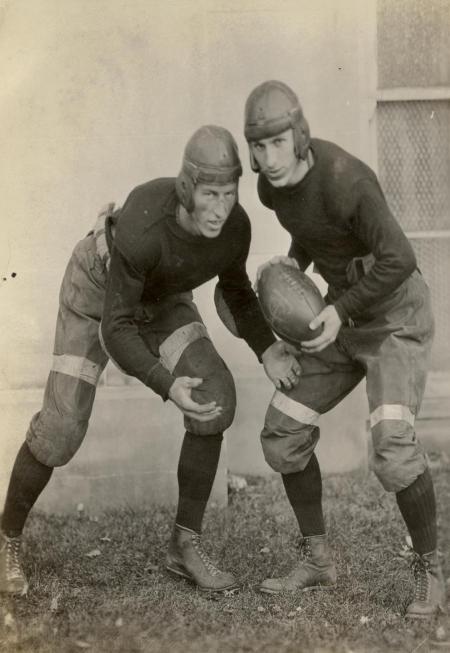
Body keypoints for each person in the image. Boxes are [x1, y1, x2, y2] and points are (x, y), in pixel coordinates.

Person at [0, 125, 301, 595]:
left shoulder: (234, 228)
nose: (221, 208)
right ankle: (7, 538)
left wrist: (267, 349)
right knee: (60, 431)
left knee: (214, 396)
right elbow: (115, 327)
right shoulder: (144, 220)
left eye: (229, 193)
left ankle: (183, 547)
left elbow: (237, 291)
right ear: (186, 189)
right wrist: (165, 383)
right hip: (100, 290)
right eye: (209, 193)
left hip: (162, 295)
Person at [244, 80, 446, 618]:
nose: (270, 158)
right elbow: (312, 230)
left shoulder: (345, 180)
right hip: (343, 314)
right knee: (283, 428)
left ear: (301, 135)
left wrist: (341, 310)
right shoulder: (271, 188)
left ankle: (431, 569)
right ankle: (317, 558)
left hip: (393, 316)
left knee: (392, 442)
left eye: (279, 143)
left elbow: (399, 257)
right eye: (259, 148)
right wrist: (294, 266)